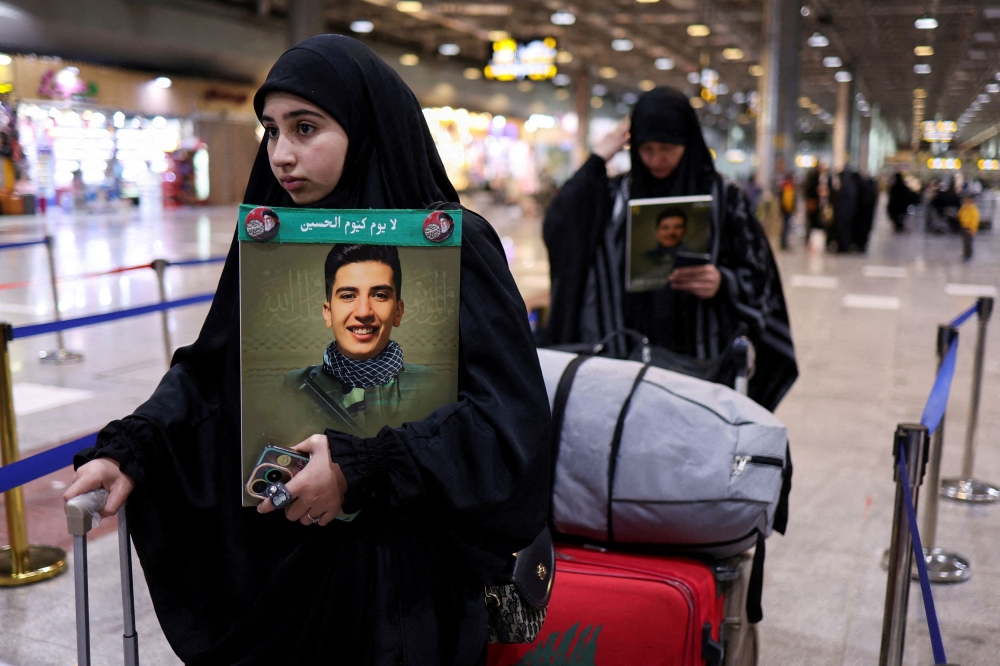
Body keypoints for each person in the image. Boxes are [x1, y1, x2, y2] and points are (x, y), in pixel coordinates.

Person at [64, 35, 550, 666]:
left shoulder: (453, 247)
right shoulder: (268, 241)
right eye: (271, 131)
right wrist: (135, 447)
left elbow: (508, 426)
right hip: (281, 576)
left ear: (366, 126)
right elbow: (214, 374)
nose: (282, 154)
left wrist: (362, 467)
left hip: (402, 593)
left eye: (306, 128)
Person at [542, 86, 797, 411]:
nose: (656, 160)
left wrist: (723, 282)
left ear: (688, 143)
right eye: (646, 149)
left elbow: (760, 276)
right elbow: (561, 224)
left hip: (701, 357)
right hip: (625, 356)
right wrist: (598, 157)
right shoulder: (617, 195)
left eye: (667, 148)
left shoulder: (724, 197)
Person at [283, 243, 439, 439]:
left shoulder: (432, 386)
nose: (364, 312)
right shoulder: (293, 387)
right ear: (328, 313)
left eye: (379, 295)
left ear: (398, 312)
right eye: (348, 296)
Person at [958, 195, 980, 261]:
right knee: (965, 242)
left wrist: (973, 229)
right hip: (964, 227)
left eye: (967, 201)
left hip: (969, 228)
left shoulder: (973, 210)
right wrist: (963, 209)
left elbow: (975, 220)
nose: (966, 202)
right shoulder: (964, 208)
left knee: (969, 243)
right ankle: (965, 254)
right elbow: (960, 215)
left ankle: (969, 255)